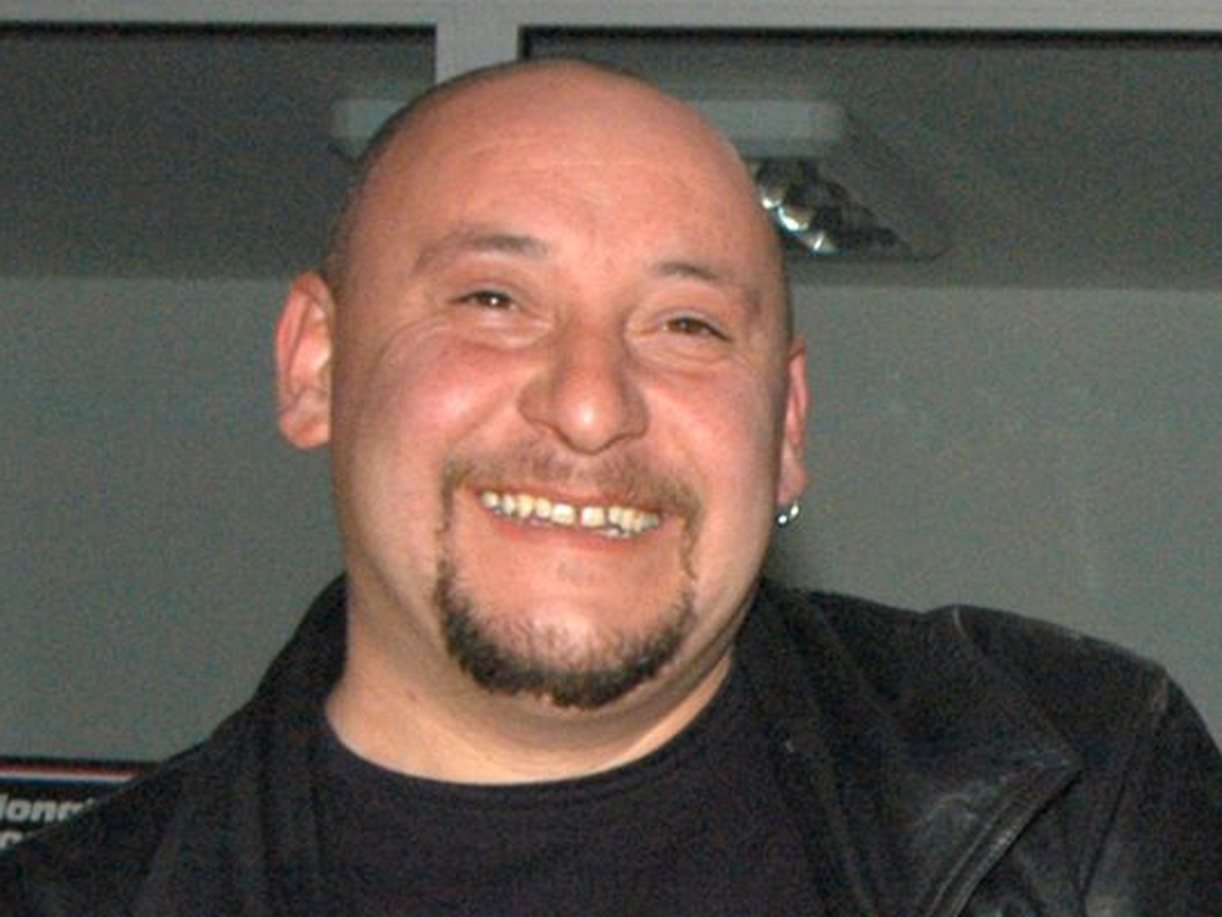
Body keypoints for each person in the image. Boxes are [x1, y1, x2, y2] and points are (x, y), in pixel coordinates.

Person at [2, 58, 1220, 915]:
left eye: (687, 325)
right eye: (494, 300)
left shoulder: (1081, 797)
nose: (590, 404)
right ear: (315, 365)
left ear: (786, 426)